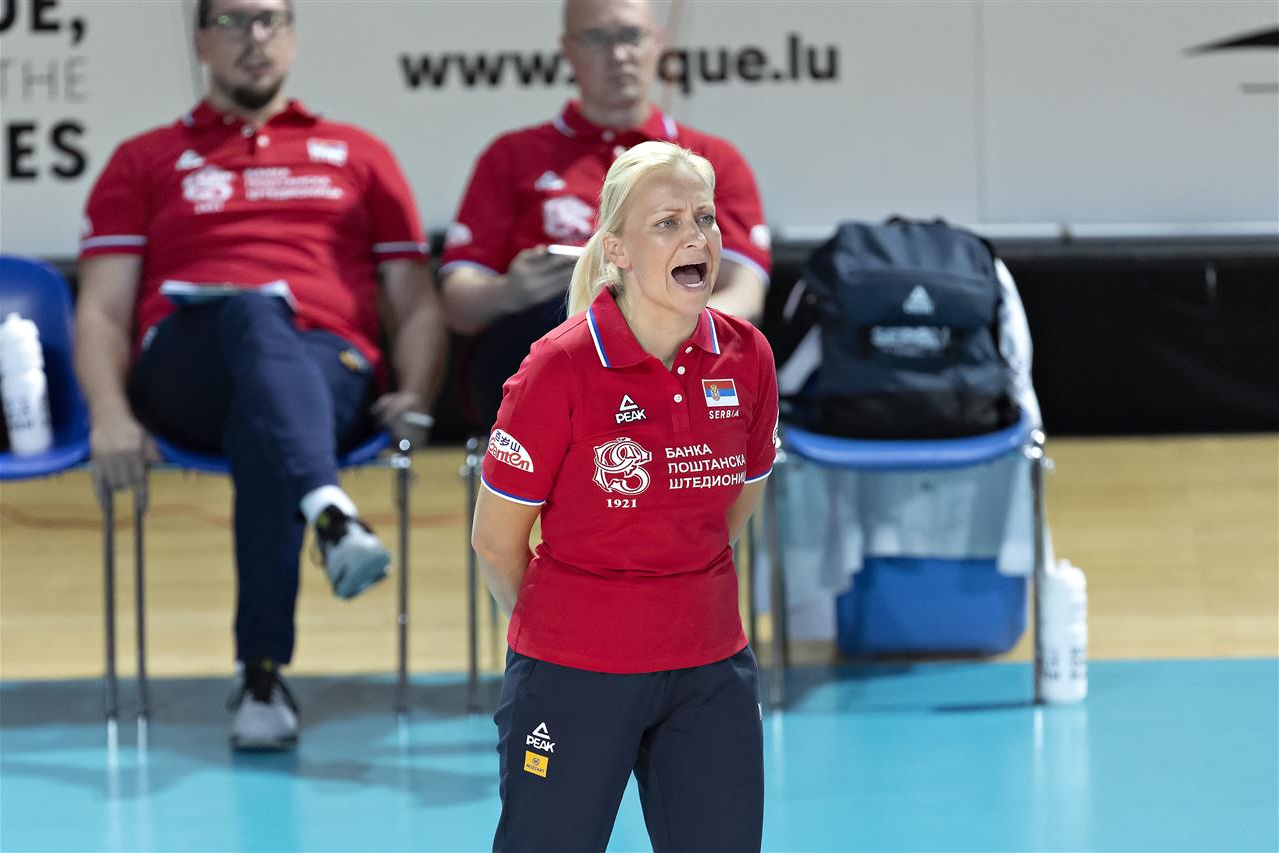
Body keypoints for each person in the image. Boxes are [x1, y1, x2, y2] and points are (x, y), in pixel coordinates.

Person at [74, 0, 446, 750]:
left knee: (267, 413)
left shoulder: (360, 155)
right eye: (234, 21)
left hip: (328, 369)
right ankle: (329, 511)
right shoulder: (143, 159)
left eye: (270, 20)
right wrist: (110, 413)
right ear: (199, 41)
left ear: (293, 37)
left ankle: (262, 677)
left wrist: (417, 392)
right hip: (188, 368)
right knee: (250, 309)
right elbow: (103, 311)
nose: (254, 37)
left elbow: (415, 303)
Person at [472, 141, 778, 853]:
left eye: (704, 217)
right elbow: (495, 541)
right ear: (617, 249)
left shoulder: (748, 357)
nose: (696, 236)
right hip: (574, 673)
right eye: (667, 222)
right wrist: (570, 635)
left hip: (709, 668)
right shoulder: (558, 367)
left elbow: (729, 513)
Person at [440, 0, 771, 427]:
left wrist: (660, 327)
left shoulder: (711, 159)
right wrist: (508, 292)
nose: (618, 54)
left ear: (657, 42)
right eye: (597, 38)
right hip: (544, 358)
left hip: (674, 367)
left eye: (631, 36)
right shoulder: (511, 156)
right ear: (568, 50)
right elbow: (459, 304)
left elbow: (745, 296)